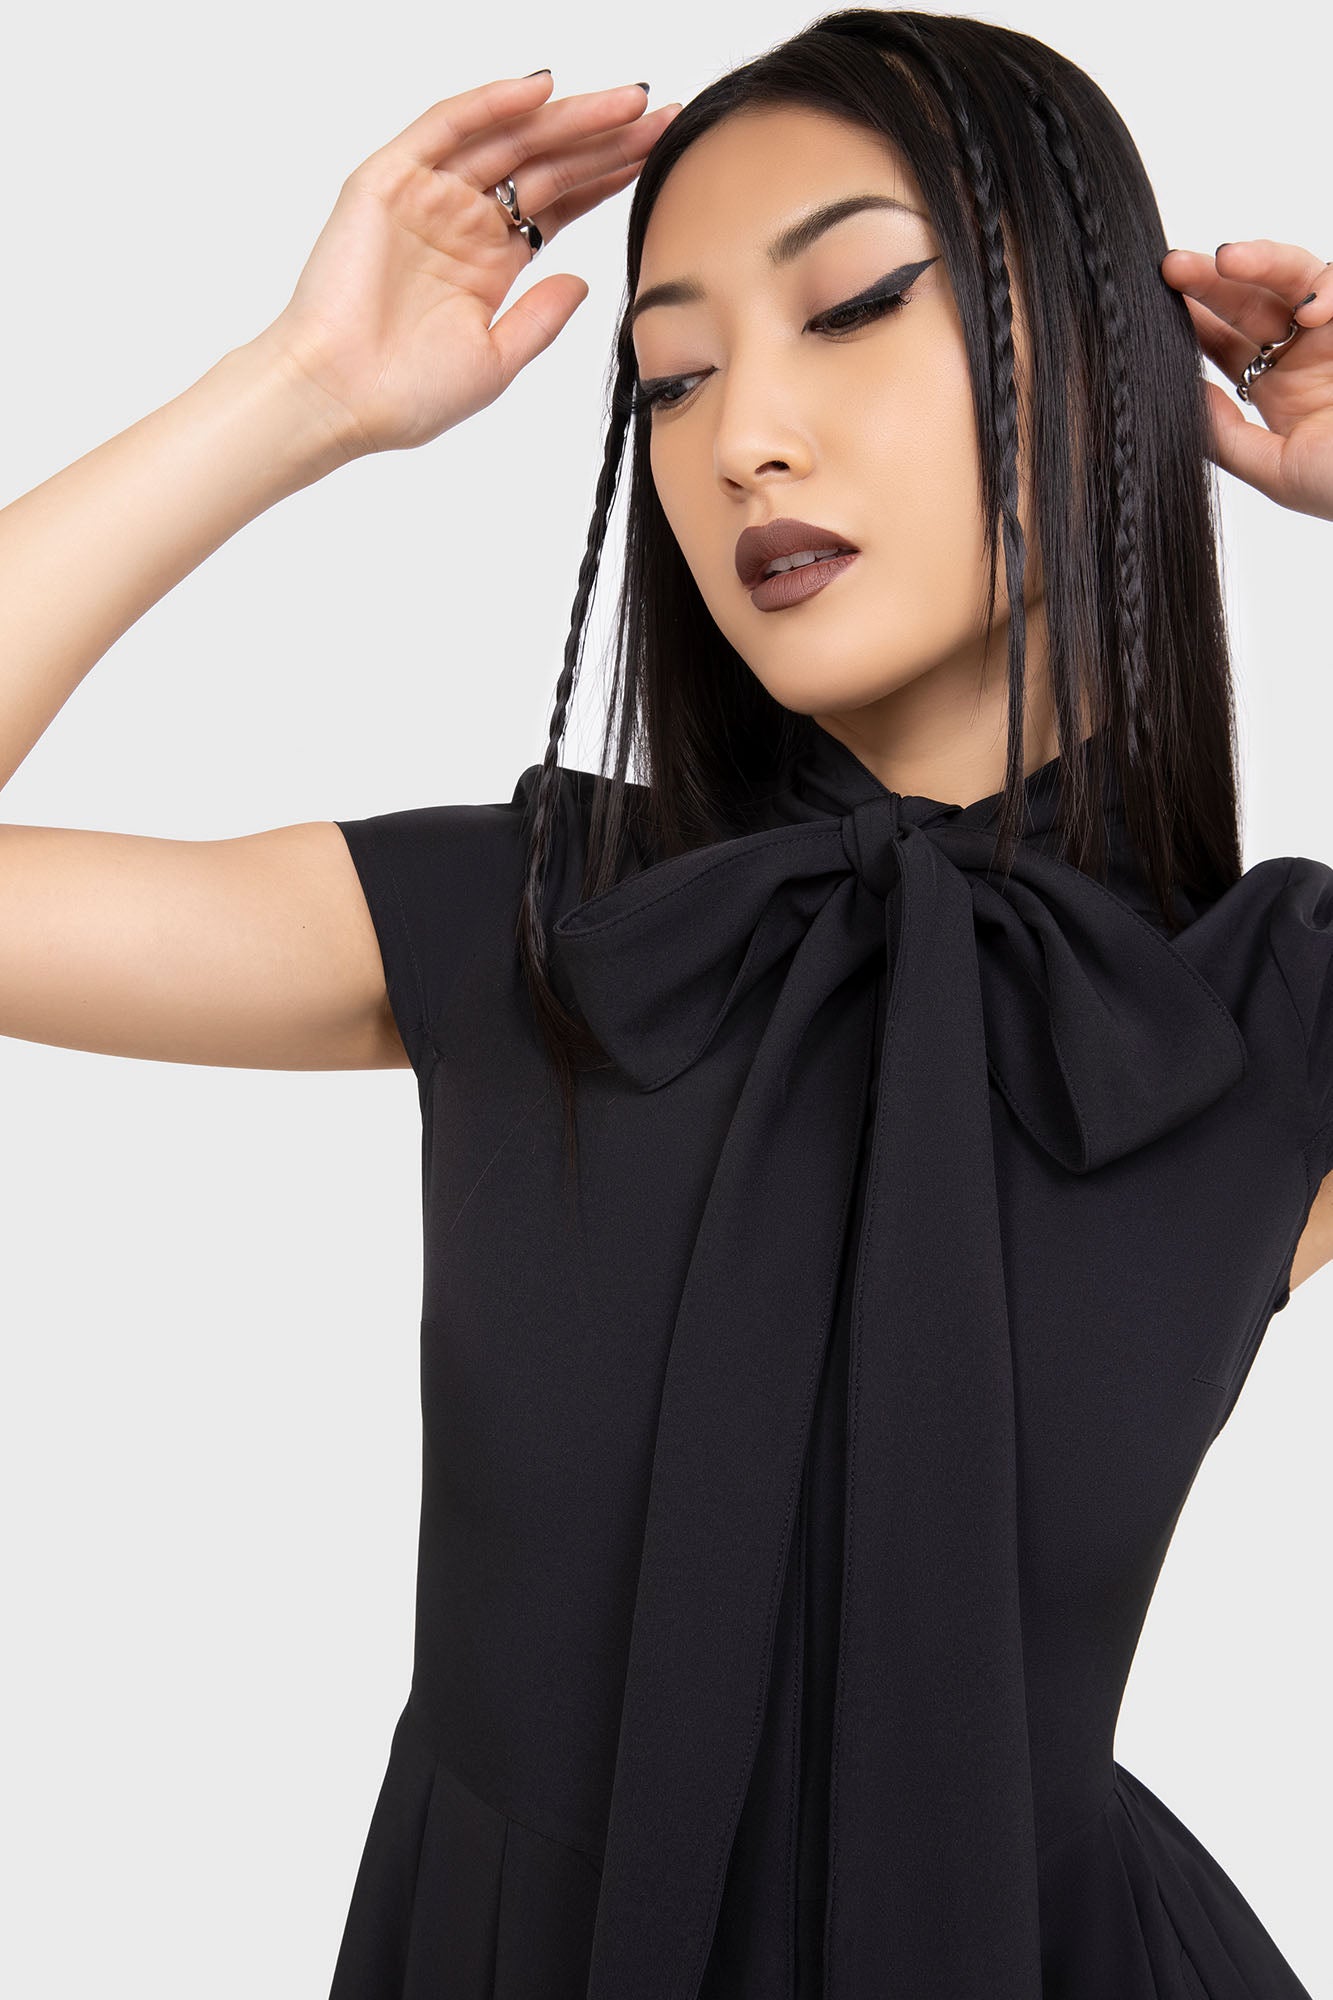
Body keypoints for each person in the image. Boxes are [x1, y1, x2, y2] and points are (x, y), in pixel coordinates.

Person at [1, 8, 1328, 1995]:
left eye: (852, 307)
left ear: (1093, 344)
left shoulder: (1255, 1020)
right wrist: (299, 390)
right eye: (671, 377)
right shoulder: (548, 923)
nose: (739, 439)